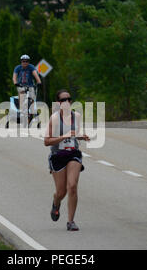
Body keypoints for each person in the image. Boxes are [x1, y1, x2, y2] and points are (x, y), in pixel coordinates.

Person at [44, 90, 90, 231]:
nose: (67, 102)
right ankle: (56, 203)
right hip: (58, 155)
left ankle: (70, 221)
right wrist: (63, 136)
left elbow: (75, 134)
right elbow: (47, 141)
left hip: (73, 154)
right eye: (63, 100)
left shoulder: (76, 116)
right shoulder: (54, 118)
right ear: (58, 103)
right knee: (61, 192)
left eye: (69, 99)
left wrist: (82, 136)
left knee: (72, 186)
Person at [12, 54, 42, 121]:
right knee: (22, 95)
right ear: (21, 62)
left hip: (30, 85)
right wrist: (15, 83)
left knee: (32, 98)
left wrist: (39, 81)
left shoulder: (31, 67)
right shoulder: (18, 68)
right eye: (23, 61)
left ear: (29, 62)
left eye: (26, 61)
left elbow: (35, 74)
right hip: (20, 85)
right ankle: (21, 111)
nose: (25, 63)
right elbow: (14, 77)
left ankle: (32, 111)